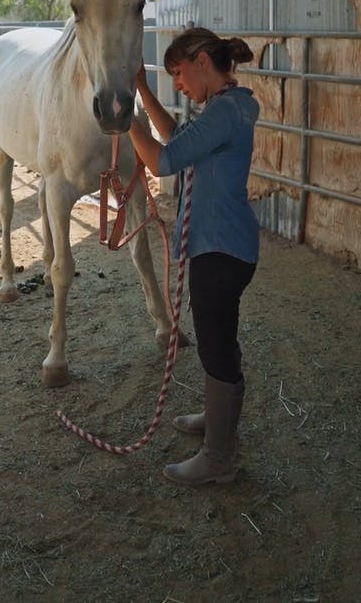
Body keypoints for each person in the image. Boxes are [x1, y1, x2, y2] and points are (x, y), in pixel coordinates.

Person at [128, 27, 259, 487]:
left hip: (219, 248)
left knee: (217, 342)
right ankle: (217, 418)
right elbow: (176, 139)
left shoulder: (224, 113)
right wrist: (142, 91)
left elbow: (163, 161)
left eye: (179, 75)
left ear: (203, 61)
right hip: (225, 245)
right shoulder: (227, 108)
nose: (178, 85)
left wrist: (126, 119)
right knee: (215, 339)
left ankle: (218, 458)